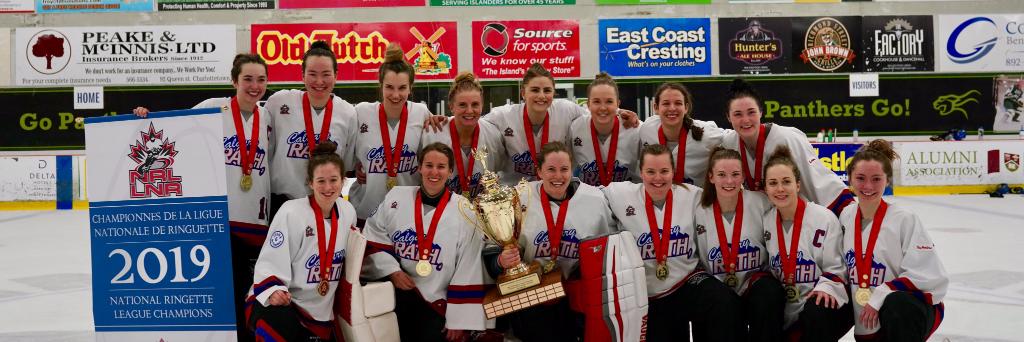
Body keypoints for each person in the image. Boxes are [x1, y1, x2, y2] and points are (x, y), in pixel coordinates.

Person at [132, 53, 273, 339]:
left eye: (261, 79)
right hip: (222, 222)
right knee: (228, 293)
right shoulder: (213, 108)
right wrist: (146, 117)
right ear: (234, 81)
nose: (254, 86)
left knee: (250, 294)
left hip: (257, 223)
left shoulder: (268, 116)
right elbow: (173, 128)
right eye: (247, 79)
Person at [603, 144, 741, 342]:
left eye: (664, 171)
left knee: (722, 299)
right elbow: (584, 195)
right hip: (646, 294)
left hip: (686, 281)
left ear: (673, 172)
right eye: (651, 172)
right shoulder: (620, 194)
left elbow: (727, 194)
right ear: (640, 172)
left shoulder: (692, 195)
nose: (658, 178)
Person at [484, 141, 614, 341]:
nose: (558, 176)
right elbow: (492, 247)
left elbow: (609, 252)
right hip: (530, 300)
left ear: (572, 170)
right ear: (539, 171)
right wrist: (501, 261)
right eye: (551, 169)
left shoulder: (595, 200)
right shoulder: (519, 197)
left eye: (564, 169)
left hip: (574, 301)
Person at [362, 142, 487, 342]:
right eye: (429, 165)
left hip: (437, 303)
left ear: (450, 171)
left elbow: (469, 266)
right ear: (419, 168)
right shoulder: (396, 198)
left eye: (441, 167)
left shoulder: (465, 211)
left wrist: (458, 318)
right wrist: (392, 271)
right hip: (396, 294)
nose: (434, 172)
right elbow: (373, 236)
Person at [838, 139, 948, 341]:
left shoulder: (904, 219)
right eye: (860, 178)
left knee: (897, 305)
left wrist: (884, 292)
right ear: (850, 179)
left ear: (887, 180)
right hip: (867, 319)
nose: (868, 186)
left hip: (904, 311)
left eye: (876, 179)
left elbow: (930, 276)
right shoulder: (845, 217)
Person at [246, 142, 357, 341]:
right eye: (321, 181)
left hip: (321, 311)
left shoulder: (348, 212)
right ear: (310, 183)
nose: (328, 187)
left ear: (343, 181)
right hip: (288, 301)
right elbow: (271, 259)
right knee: (276, 318)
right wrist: (274, 290)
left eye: (333, 180)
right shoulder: (291, 212)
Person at [482, 63, 639, 186]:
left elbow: (596, 111)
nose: (541, 96)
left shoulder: (566, 110)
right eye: (535, 90)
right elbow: (475, 122)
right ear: (523, 93)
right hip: (515, 194)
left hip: (556, 190)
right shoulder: (503, 116)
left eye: (547, 90)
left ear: (554, 93)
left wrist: (619, 111)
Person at [721, 78, 853, 216]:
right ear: (728, 117)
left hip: (799, 219)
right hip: (764, 220)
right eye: (737, 114)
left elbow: (818, 180)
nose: (745, 120)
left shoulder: (787, 139)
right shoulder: (729, 143)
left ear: (761, 112)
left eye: (751, 112)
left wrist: (848, 214)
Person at [760, 146, 850, 341]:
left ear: (798, 185)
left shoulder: (824, 218)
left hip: (817, 305)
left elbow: (836, 268)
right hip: (785, 304)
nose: (780, 189)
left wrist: (825, 289)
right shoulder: (766, 221)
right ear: (765, 189)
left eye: (786, 182)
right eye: (773, 183)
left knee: (816, 312)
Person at [693, 147, 782, 341]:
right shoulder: (697, 208)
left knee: (770, 293)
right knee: (720, 304)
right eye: (721, 175)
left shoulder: (761, 202)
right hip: (716, 286)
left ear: (743, 176)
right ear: (711, 177)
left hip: (753, 281)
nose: (729, 181)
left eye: (735, 174)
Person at [264, 40, 359, 218]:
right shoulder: (279, 103)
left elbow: (345, 163)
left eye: (326, 74)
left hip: (326, 205)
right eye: (312, 74)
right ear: (302, 75)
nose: (319, 81)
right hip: (282, 204)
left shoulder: (348, 113)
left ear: (336, 76)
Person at [350, 43, 430, 226]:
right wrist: (356, 166)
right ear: (381, 86)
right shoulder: (361, 113)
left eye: (402, 88)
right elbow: (346, 148)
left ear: (410, 88)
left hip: (408, 213)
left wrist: (439, 120)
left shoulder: (421, 113)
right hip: (366, 212)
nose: (395, 94)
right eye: (389, 87)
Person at [421, 71, 505, 199]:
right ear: (451, 107)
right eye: (462, 105)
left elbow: (500, 172)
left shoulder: (493, 135)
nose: (469, 111)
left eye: (475, 104)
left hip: (482, 209)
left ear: (482, 105)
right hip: (441, 209)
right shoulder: (433, 133)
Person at [638, 82, 725, 188]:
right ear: (656, 107)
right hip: (658, 195)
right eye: (666, 103)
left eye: (678, 103)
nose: (672, 108)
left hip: (697, 197)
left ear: (686, 108)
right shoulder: (647, 128)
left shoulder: (705, 134)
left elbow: (733, 137)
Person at [569, 72, 640, 186]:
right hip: (588, 195)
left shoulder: (635, 128)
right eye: (596, 101)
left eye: (609, 101)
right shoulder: (575, 128)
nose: (603, 107)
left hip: (628, 196)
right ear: (588, 104)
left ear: (618, 104)